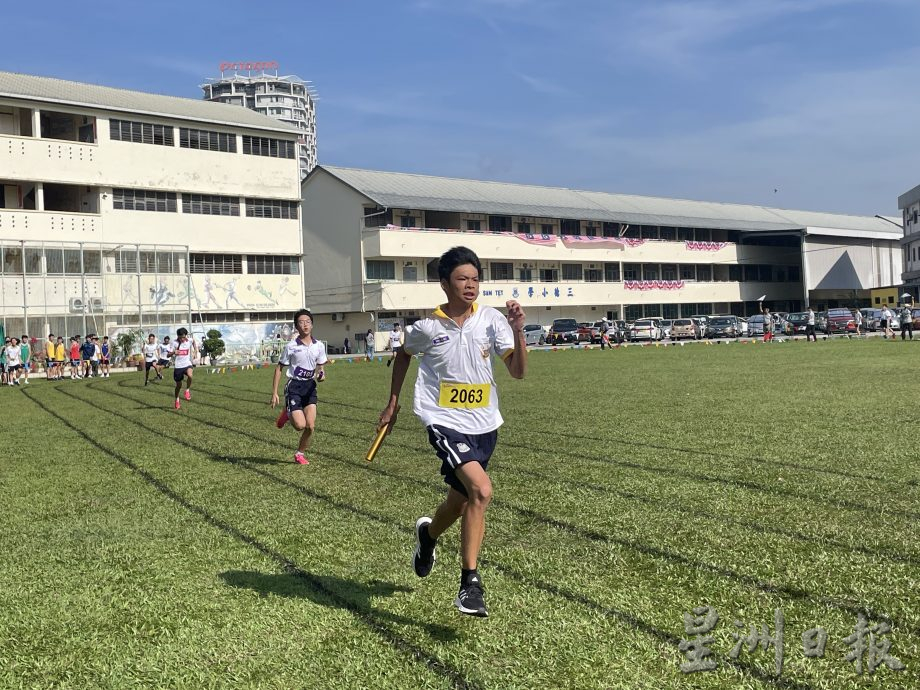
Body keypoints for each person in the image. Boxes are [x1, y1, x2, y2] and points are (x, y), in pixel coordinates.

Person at [378, 246, 527, 618]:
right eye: (463, 278)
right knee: (482, 490)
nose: (470, 285)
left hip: (485, 424)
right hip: (443, 420)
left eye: (475, 278)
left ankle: (427, 535)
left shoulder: (491, 320)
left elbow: (518, 371)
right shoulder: (426, 328)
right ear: (445, 283)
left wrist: (518, 331)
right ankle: (469, 584)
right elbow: (404, 354)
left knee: (460, 503)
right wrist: (393, 403)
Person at [270, 309, 328, 465]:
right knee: (300, 425)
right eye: (301, 322)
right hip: (294, 386)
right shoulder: (291, 346)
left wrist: (321, 374)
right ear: (296, 326)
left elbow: (321, 367)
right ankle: (287, 413)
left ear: (312, 325)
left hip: (310, 387)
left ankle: (299, 454)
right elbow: (279, 368)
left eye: (308, 322)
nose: (305, 325)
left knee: (310, 426)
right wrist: (274, 393)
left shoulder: (319, 346)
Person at [171, 327, 197, 410]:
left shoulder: (189, 340)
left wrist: (195, 351)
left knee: (190, 375)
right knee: (179, 386)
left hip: (187, 364)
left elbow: (193, 341)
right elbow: (168, 355)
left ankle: (187, 390)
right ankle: (177, 400)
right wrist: (173, 352)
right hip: (178, 366)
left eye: (183, 337)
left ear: (186, 335)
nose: (182, 339)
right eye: (180, 337)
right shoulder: (174, 343)